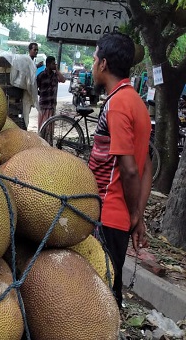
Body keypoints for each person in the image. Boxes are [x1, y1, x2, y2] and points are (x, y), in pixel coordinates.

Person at [88, 32, 152, 308]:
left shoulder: (117, 105)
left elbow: (129, 170)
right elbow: (145, 165)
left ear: (103, 64)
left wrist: (135, 214)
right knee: (109, 289)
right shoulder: (136, 102)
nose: (92, 65)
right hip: (120, 216)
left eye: (93, 59)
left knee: (101, 296)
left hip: (108, 213)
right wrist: (138, 214)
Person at [36, 56, 66, 132]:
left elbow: (63, 80)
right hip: (43, 106)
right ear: (48, 64)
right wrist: (42, 94)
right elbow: (35, 88)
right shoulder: (41, 75)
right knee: (42, 128)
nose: (55, 65)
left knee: (50, 129)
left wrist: (57, 70)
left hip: (52, 106)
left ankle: (49, 143)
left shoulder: (55, 75)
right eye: (53, 64)